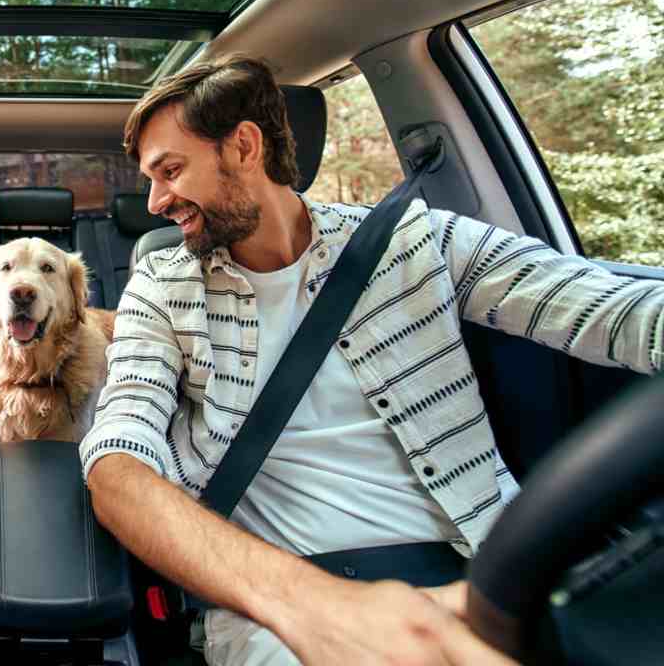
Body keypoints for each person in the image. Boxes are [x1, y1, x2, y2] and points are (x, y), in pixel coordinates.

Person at [80, 55, 664, 665]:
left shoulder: (417, 240)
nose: (153, 201)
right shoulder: (162, 283)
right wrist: (315, 606)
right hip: (283, 605)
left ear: (244, 147)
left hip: (486, 574)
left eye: (170, 171)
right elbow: (118, 460)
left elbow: (617, 311)